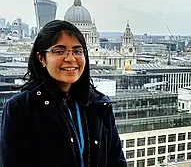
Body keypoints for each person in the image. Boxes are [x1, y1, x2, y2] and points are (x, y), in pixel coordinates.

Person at [0, 20, 127, 167]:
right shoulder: (21, 108)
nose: (71, 59)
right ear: (41, 58)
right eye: (59, 51)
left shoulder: (99, 105)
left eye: (77, 51)